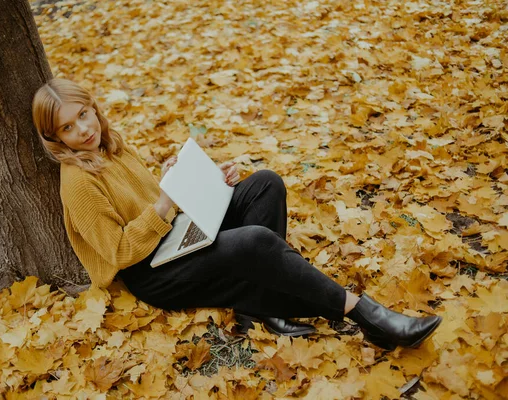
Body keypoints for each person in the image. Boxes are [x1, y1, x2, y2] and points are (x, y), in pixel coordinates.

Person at [31, 78, 442, 350]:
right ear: (54, 137)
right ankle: (365, 314)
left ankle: (266, 307)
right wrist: (163, 206)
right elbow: (118, 251)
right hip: (153, 271)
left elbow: (154, 198)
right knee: (255, 241)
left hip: (172, 235)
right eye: (67, 128)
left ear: (92, 107)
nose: (83, 130)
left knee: (265, 183)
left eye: (83, 114)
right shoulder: (77, 182)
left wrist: (210, 183)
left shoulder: (110, 145)